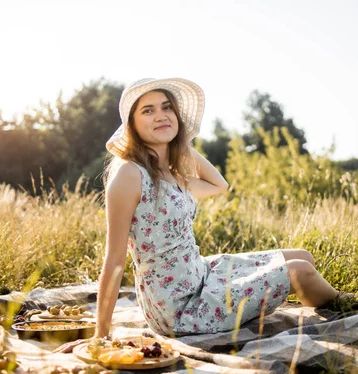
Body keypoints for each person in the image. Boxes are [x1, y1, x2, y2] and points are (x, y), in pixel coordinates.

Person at [95, 78, 344, 338]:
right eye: (148, 110)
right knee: (300, 271)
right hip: (180, 307)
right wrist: (100, 335)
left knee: (303, 256)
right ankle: (350, 305)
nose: (161, 116)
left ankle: (326, 301)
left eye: (167, 108)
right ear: (131, 125)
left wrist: (179, 143)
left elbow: (218, 184)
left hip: (203, 274)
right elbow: (114, 261)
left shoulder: (169, 174)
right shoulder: (129, 175)